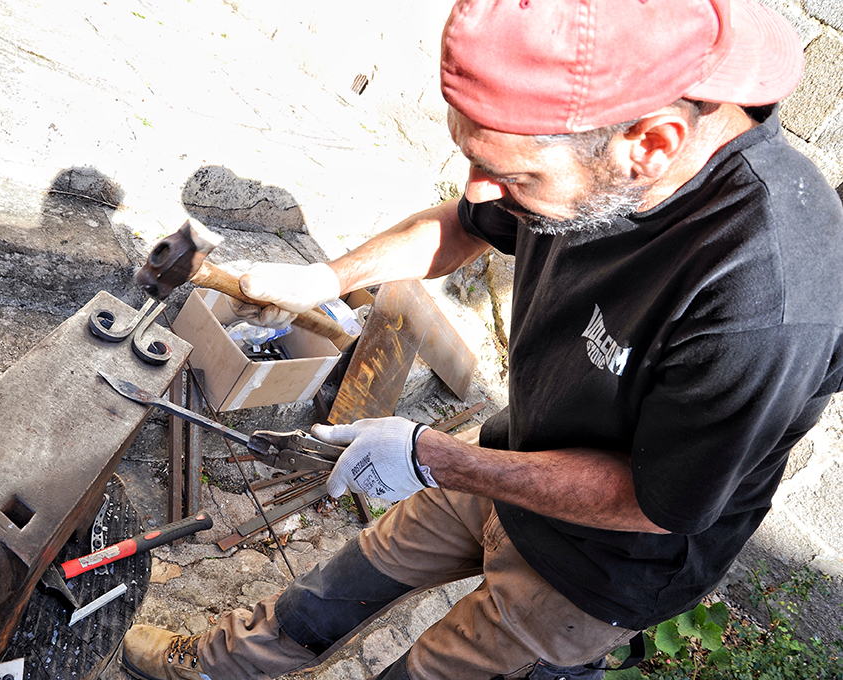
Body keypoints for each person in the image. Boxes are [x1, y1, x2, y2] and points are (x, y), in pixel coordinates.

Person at [122, 0, 843, 678]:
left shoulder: (767, 296)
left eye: (508, 173)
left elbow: (653, 504)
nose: (475, 190)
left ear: (650, 143)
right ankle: (217, 663)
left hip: (596, 568)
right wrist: (323, 280)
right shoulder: (593, 152)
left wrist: (437, 457)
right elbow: (464, 226)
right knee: (330, 590)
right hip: (507, 460)